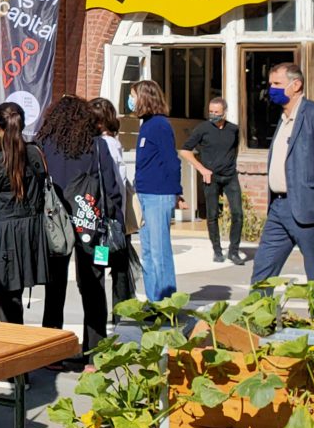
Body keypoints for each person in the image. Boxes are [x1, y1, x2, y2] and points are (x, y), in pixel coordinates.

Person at [39, 94, 124, 355]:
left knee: (55, 286)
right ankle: (93, 352)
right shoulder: (97, 147)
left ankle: (52, 353)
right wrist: (117, 223)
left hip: (57, 227)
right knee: (94, 286)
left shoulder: (43, 146)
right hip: (94, 228)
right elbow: (112, 190)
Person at [251, 62, 314, 286]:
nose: (271, 89)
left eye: (277, 84)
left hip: (309, 208)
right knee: (263, 271)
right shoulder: (283, 118)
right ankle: (254, 318)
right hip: (278, 208)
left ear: (296, 85)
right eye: (270, 84)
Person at [0, 101, 50, 353]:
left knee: (7, 301)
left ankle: (14, 361)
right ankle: (17, 359)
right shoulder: (34, 154)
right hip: (28, 232)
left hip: (1, 234)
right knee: (14, 298)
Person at [130, 80, 180, 301]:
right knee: (148, 252)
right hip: (145, 194)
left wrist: (177, 191)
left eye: (133, 95)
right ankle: (153, 301)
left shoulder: (159, 125)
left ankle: (166, 302)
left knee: (159, 252)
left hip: (158, 195)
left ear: (145, 98)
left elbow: (171, 160)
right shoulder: (147, 124)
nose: (130, 100)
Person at [182, 96, 245, 264]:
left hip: (230, 176)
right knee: (212, 215)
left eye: (217, 112)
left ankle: (234, 251)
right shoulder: (202, 129)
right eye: (211, 112)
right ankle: (217, 250)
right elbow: (185, 151)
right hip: (212, 177)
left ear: (224, 112)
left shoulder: (234, 129)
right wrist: (202, 169)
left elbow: (234, 149)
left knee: (238, 213)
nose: (213, 115)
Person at [91, 95, 138, 307]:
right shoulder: (113, 143)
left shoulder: (104, 145)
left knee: (106, 264)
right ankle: (121, 307)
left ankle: (118, 309)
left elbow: (113, 183)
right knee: (119, 264)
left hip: (107, 220)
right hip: (116, 217)